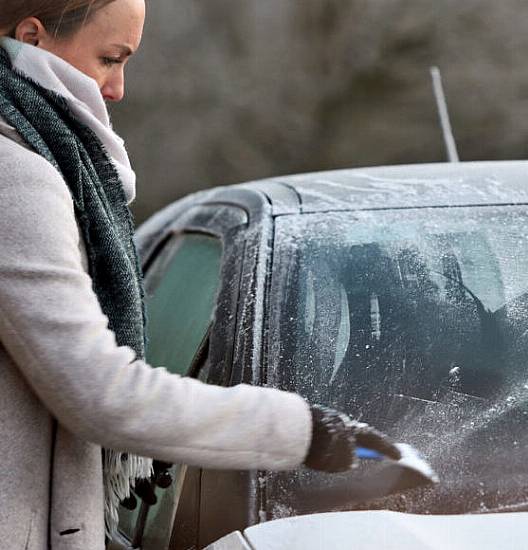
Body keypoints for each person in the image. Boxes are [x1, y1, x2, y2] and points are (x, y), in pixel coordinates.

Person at [0, 1, 400, 548]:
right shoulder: (16, 178)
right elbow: (101, 392)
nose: (116, 88)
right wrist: (305, 430)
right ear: (32, 37)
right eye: (109, 58)